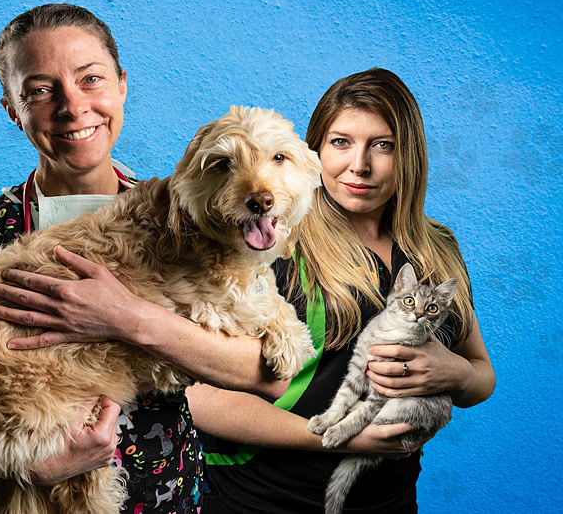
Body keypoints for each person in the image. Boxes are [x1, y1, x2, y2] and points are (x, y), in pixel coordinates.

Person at [0, 4, 284, 513]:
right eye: (40, 91)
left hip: (172, 500)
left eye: (91, 79)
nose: (72, 106)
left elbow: (271, 373)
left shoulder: (197, 220)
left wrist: (128, 319)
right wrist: (27, 463)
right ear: (12, 108)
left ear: (121, 85)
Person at [187, 68, 496, 513]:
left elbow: (481, 376)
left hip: (389, 501)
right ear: (313, 150)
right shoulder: (269, 241)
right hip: (258, 500)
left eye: (383, 145)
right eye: (341, 142)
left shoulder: (437, 246)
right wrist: (337, 437)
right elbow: (198, 396)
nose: (359, 165)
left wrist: (456, 375)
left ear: (409, 155)